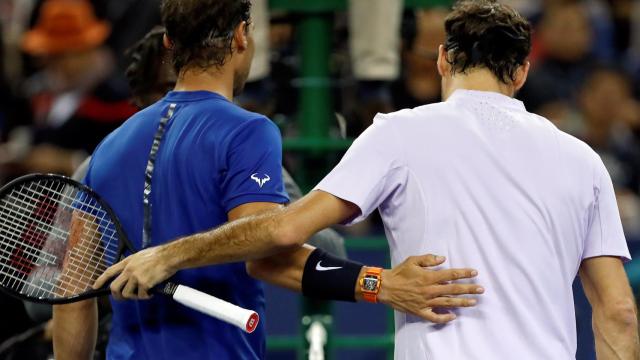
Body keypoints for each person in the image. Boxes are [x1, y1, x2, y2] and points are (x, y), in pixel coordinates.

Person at [98, 1, 640, 359]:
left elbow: (282, 233)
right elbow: (616, 313)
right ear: (521, 72)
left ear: (443, 60)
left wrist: (170, 255)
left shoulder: (398, 133)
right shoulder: (583, 160)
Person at [54, 1, 484, 359]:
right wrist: (381, 284)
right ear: (242, 36)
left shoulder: (108, 147)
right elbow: (267, 251)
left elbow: (72, 294)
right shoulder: (246, 131)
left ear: (169, 43)